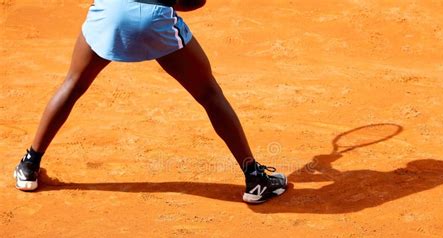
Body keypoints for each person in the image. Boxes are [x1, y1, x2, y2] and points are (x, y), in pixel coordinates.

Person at [13, 0, 287, 204]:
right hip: (154, 21)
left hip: (109, 16)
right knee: (209, 94)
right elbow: (193, 1)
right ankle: (254, 177)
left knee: (72, 84)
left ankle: (29, 164)